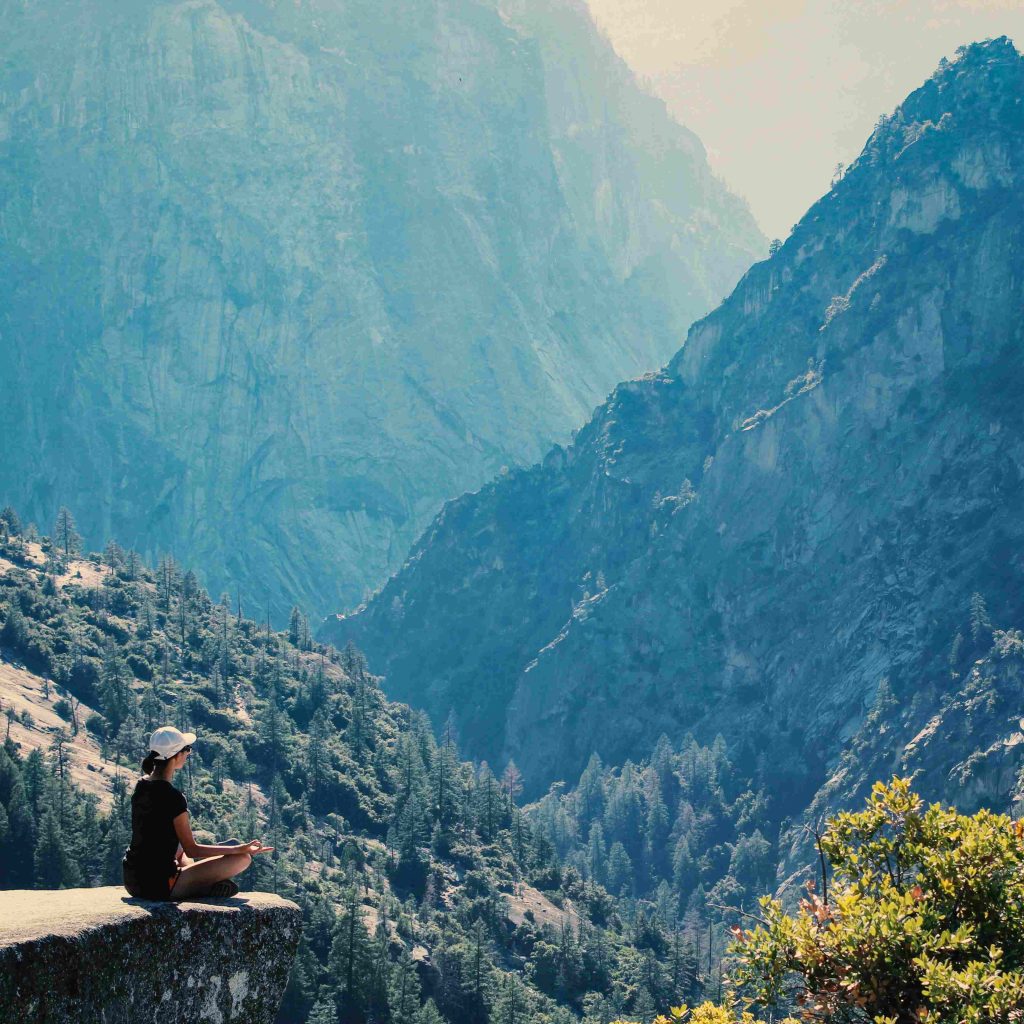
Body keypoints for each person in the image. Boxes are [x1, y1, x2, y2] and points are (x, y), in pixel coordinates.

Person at [122, 725, 273, 900]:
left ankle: (199, 881)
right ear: (176, 755)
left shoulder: (141, 785)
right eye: (187, 749)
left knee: (184, 847)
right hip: (159, 886)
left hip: (132, 878)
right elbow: (192, 849)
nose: (188, 753)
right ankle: (203, 887)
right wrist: (240, 849)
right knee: (242, 858)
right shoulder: (173, 797)